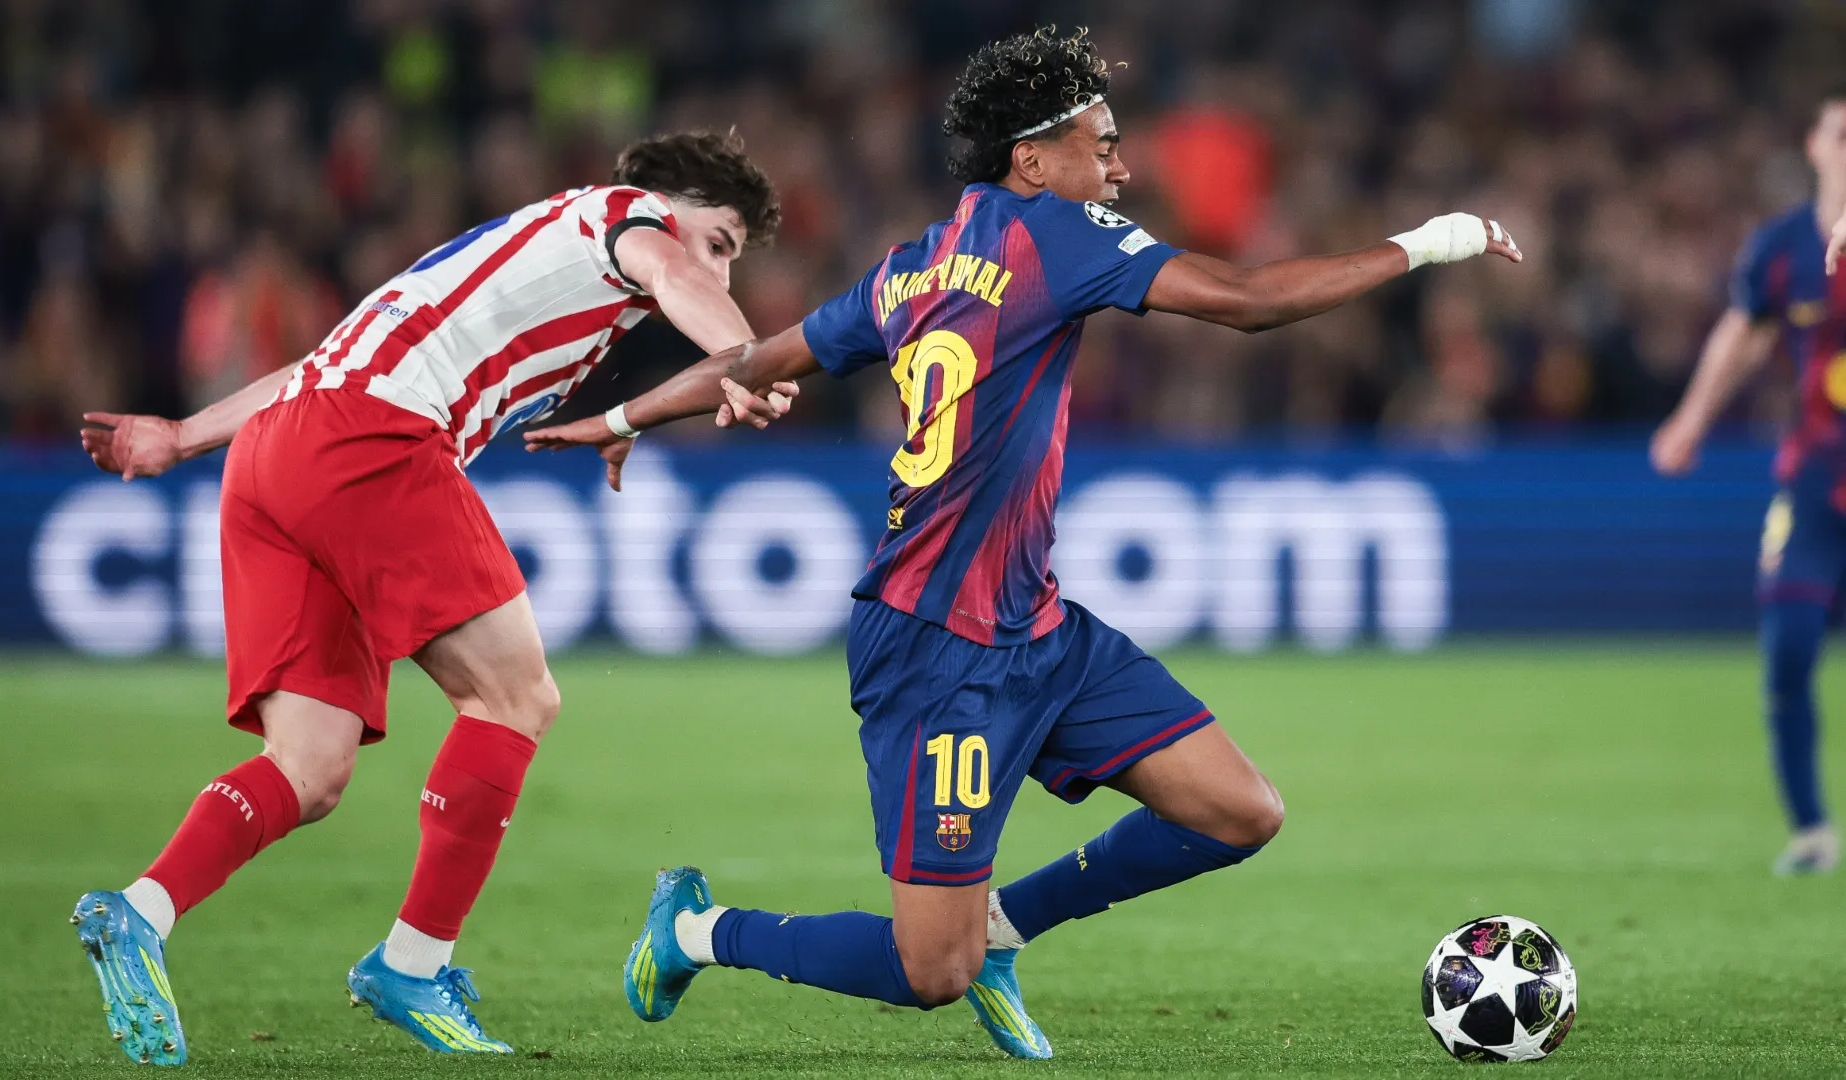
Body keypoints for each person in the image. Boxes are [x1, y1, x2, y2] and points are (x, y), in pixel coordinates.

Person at [526, 27, 1520, 1059]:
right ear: (1033, 160)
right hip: (936, 650)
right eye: (1103, 142)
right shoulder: (1060, 235)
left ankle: (1005, 928)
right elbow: (1250, 303)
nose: (1121, 166)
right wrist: (1433, 241)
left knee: (1238, 812)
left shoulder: (910, 268)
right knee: (930, 974)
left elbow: (751, 359)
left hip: (1035, 624)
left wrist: (625, 419)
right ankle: (696, 930)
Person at [70, 131, 793, 1065]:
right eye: (722, 244)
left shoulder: (521, 257)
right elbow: (669, 267)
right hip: (377, 441)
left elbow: (313, 372)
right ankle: (413, 963)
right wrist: (748, 354)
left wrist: (179, 435)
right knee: (516, 697)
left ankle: (139, 913)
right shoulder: (629, 217)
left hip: (276, 454)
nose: (718, 267)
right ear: (667, 203)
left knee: (310, 765)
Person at [1652, 87, 1846, 876]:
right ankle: (1810, 830)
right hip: (1816, 479)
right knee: (1789, 648)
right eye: (1843, 131)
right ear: (1814, 143)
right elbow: (1744, 331)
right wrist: (1691, 420)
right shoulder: (1782, 247)